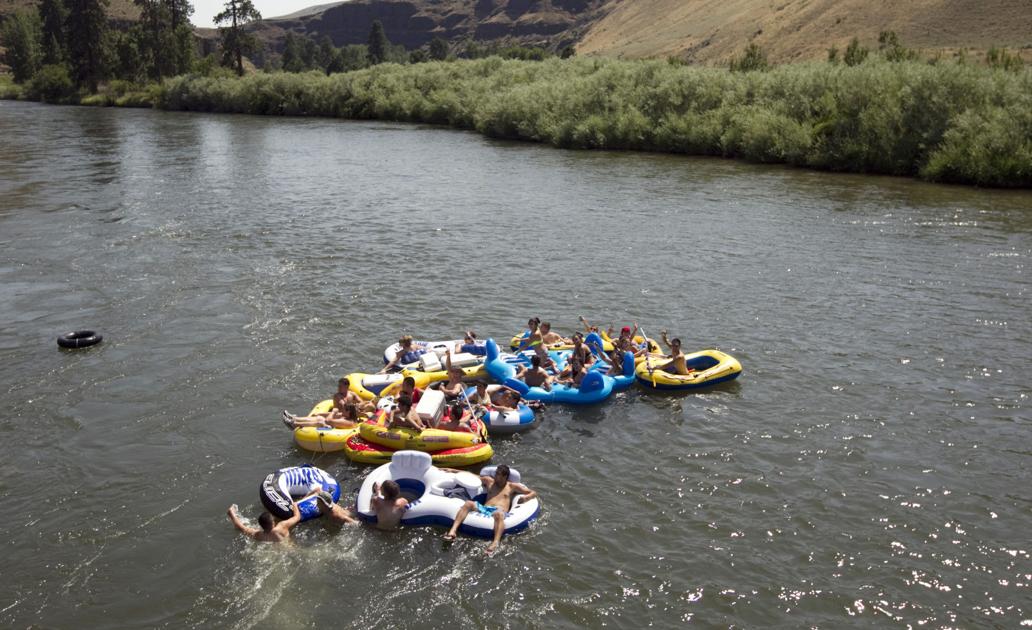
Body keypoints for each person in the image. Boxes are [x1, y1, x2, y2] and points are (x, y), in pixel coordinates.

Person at [443, 465, 537, 554]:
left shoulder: (512, 486)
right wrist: (453, 470)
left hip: (499, 510)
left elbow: (533, 492)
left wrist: (526, 498)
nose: (496, 477)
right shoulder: (489, 481)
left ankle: (495, 542)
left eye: (498, 475)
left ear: (505, 477)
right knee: (468, 503)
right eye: (496, 474)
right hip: (484, 508)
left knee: (498, 514)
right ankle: (453, 530)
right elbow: (472, 476)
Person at [227, 500, 303, 543]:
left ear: (261, 525)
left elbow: (241, 527)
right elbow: (297, 517)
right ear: (273, 523)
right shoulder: (281, 527)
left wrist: (232, 514)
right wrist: (295, 505)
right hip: (290, 550)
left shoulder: (259, 535)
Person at [283, 401, 364, 430]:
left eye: (344, 409)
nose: (342, 410)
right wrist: (319, 413)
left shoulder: (350, 422)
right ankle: (294, 418)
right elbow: (333, 415)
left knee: (321, 421)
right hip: (333, 427)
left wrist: (333, 412)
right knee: (319, 417)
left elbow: (329, 420)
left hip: (334, 433)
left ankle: (295, 424)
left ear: (349, 412)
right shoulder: (347, 416)